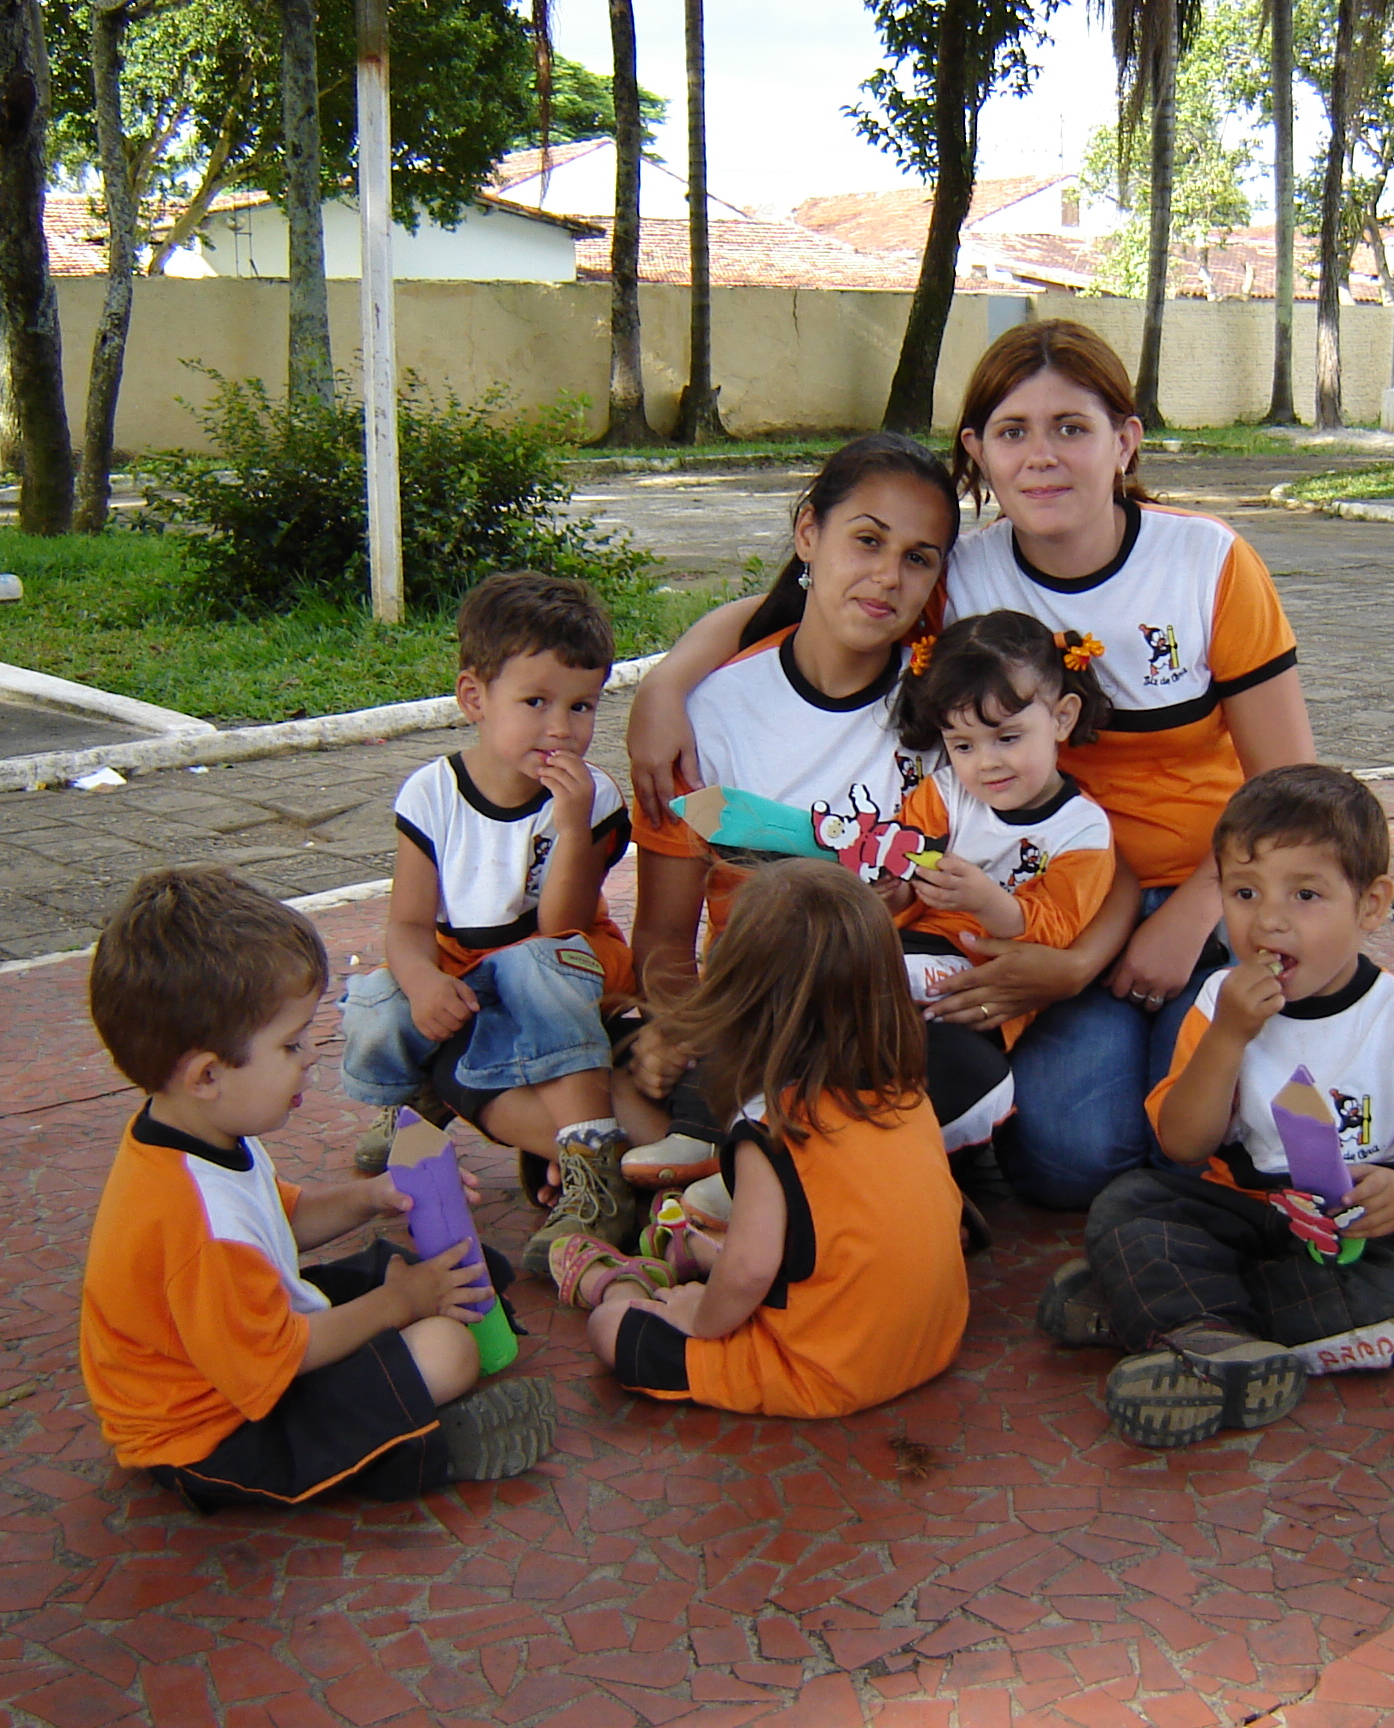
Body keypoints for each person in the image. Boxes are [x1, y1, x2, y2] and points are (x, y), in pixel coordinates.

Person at [628, 321, 1315, 1208]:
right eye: (1013, 430)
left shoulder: (1207, 562)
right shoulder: (960, 578)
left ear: (1124, 441)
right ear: (977, 451)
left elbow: (1288, 791)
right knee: (1066, 1158)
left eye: (1071, 427)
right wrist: (667, 684)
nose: (1043, 456)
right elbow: (813, 605)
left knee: (1240, 1118)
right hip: (1043, 899)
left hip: (1206, 889)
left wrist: (1192, 914)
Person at [1038, 767, 1394, 1449]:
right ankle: (1203, 1336)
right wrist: (1229, 1037)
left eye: (1306, 895)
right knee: (1132, 1202)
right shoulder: (1217, 1003)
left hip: (1362, 1243)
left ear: (1371, 906)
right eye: (1245, 892)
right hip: (1247, 1214)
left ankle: (1173, 1321)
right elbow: (1183, 1145)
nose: (1269, 920)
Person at [79, 865, 554, 1511]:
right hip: (212, 1433)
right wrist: (398, 1304)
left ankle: (411, 1381)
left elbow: (282, 1221)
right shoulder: (195, 1223)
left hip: (249, 1348)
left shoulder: (199, 1130)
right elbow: (279, 1357)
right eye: (289, 1045)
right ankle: (423, 1449)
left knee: (456, 1275)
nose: (310, 1055)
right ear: (207, 1075)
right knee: (441, 1346)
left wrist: (373, 1196)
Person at [623, 432, 1013, 1180]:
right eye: (867, 540)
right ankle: (802, 1171)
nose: (887, 577)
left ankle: (756, 1171)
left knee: (976, 1077)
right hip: (756, 1008)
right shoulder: (709, 716)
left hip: (894, 1014)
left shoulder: (951, 702)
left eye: (918, 558)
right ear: (809, 532)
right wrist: (674, 1027)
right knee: (635, 1062)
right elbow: (664, 941)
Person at [558, 861, 971, 1421]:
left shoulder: (772, 1129)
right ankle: (688, 1249)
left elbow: (752, 1270)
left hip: (822, 1371)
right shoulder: (907, 1096)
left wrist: (697, 1315)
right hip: (931, 1343)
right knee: (744, 1248)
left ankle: (618, 1285)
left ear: (741, 999)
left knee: (611, 1328)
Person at [338, 571, 640, 1276]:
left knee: (534, 969)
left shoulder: (591, 797)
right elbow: (407, 925)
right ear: (475, 698)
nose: (561, 727)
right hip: (465, 961)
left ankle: (592, 1155)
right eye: (536, 702)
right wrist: (422, 984)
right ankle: (412, 1103)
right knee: (378, 1002)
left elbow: (562, 926)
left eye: (582, 706)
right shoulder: (432, 793)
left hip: (567, 958)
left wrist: (571, 827)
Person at [886, 608, 1117, 1050]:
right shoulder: (944, 793)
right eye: (963, 746)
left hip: (998, 985)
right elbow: (907, 877)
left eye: (1007, 738)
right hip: (914, 947)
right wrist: (891, 890)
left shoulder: (1083, 829)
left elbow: (1059, 929)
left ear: (1062, 718)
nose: (986, 763)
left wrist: (987, 902)